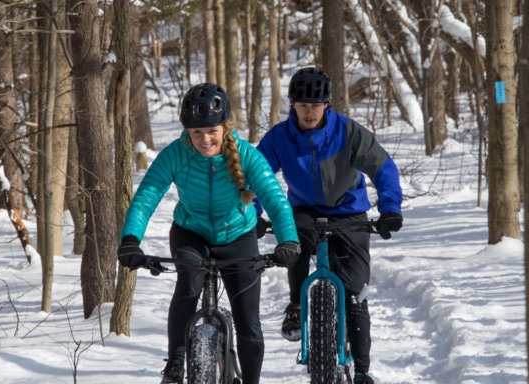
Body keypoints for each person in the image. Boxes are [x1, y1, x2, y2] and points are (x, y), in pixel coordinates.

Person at [118, 83, 301, 384]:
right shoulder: (176, 154)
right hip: (191, 233)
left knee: (248, 319)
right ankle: (176, 363)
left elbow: (275, 199)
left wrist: (289, 240)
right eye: (197, 132)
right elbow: (146, 196)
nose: (205, 139)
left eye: (212, 131)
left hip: (238, 236)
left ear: (225, 127)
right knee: (188, 285)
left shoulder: (246, 155)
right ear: (187, 131)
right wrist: (130, 240)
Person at [255, 67, 403, 384]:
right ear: (292, 105)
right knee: (291, 243)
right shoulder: (279, 138)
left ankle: (362, 370)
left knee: (354, 294)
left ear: (327, 105)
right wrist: (252, 213)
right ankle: (296, 303)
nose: (310, 112)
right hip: (303, 208)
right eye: (303, 105)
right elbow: (256, 175)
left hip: (348, 210)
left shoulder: (349, 132)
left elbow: (383, 167)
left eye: (316, 105)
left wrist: (390, 207)